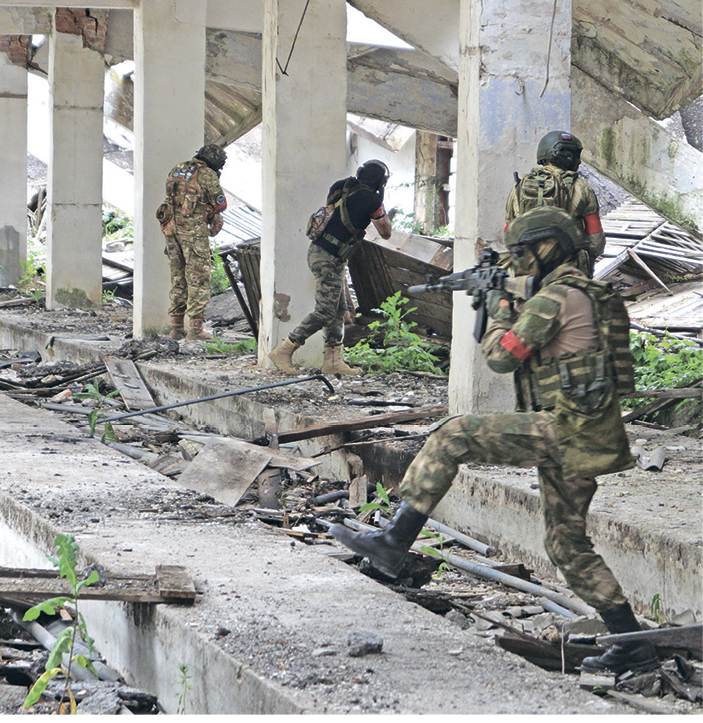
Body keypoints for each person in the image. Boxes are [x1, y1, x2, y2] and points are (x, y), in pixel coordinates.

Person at [330, 207, 657, 676]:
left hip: (567, 430)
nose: (519, 264)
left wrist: (500, 308)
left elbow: (502, 357)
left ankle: (393, 541)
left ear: (548, 248)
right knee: (565, 545)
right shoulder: (583, 292)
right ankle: (631, 640)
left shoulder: (555, 298)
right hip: (590, 434)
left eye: (523, 254)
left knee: (451, 435)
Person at [267, 160, 393, 376]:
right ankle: (284, 349)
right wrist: (381, 203)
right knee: (326, 310)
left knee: (337, 310)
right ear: (381, 182)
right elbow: (385, 232)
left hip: (323, 253)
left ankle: (333, 361)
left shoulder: (341, 186)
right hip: (328, 258)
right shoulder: (371, 199)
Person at [504, 131, 605, 275]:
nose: (579, 161)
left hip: (528, 273)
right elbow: (596, 239)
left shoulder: (519, 188)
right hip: (568, 273)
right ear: (568, 157)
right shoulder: (582, 187)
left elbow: (508, 233)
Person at [157, 144, 227, 340]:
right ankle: (195, 330)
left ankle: (176, 327)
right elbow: (220, 203)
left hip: (171, 230)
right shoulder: (207, 175)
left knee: (178, 277)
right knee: (198, 278)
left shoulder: (177, 168)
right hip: (193, 232)